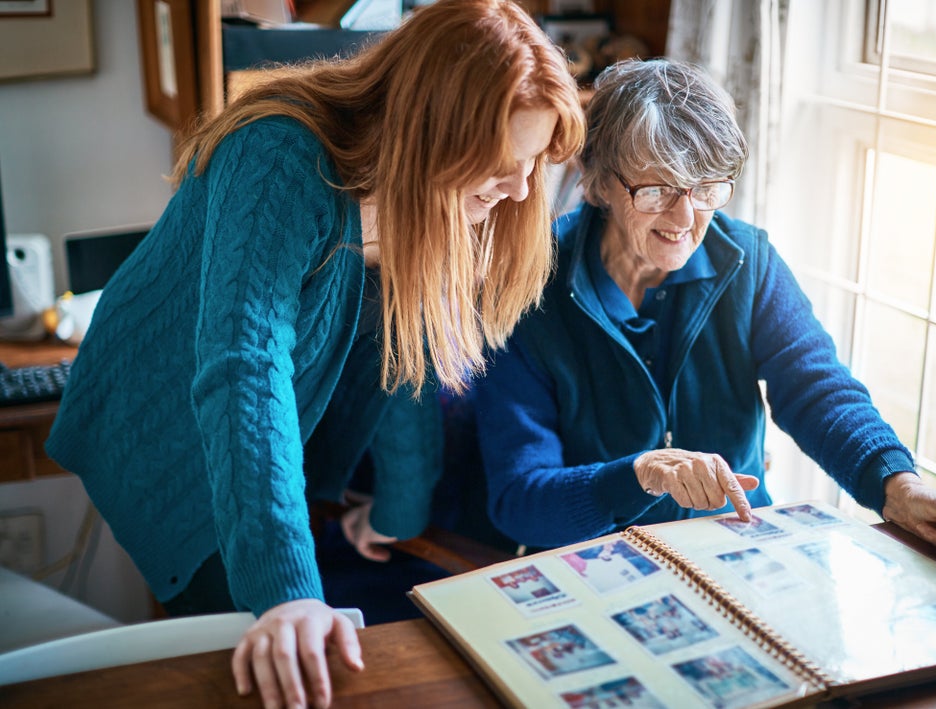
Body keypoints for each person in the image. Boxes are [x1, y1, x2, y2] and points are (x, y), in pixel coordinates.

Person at [44, 1, 585, 707]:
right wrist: (286, 595)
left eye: (535, 162)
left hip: (260, 430)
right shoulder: (278, 155)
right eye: (504, 162)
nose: (521, 188)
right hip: (160, 428)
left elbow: (405, 363)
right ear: (431, 132)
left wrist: (398, 509)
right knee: (253, 666)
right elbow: (245, 366)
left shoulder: (438, 198)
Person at [474, 57, 936, 556]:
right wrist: (638, 475)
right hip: (594, 563)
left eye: (704, 187)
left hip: (734, 551)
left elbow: (818, 390)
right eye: (657, 189)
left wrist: (896, 484)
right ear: (597, 181)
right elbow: (520, 501)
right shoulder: (528, 286)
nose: (685, 217)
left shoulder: (748, 262)